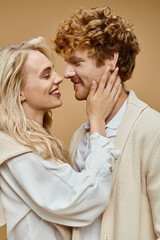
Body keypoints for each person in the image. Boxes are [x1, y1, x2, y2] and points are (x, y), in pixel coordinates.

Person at [54, 6, 160, 240]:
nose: (66, 72)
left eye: (77, 62)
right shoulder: (79, 137)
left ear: (111, 59)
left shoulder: (153, 132)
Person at [0, 36, 122, 240]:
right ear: (20, 91)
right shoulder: (18, 151)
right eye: (46, 75)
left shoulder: (34, 142)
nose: (59, 78)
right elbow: (86, 199)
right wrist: (97, 121)